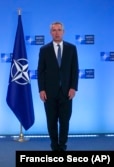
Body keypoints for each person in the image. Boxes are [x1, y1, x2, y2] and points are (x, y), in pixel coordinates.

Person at [37, 21, 79, 151]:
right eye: (54, 30)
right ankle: (54, 146)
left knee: (65, 121)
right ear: (50, 33)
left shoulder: (71, 48)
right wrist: (41, 89)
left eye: (59, 30)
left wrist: (73, 87)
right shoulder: (44, 50)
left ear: (63, 32)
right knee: (51, 121)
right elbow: (40, 71)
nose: (57, 32)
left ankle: (62, 146)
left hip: (66, 92)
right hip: (49, 92)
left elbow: (75, 69)